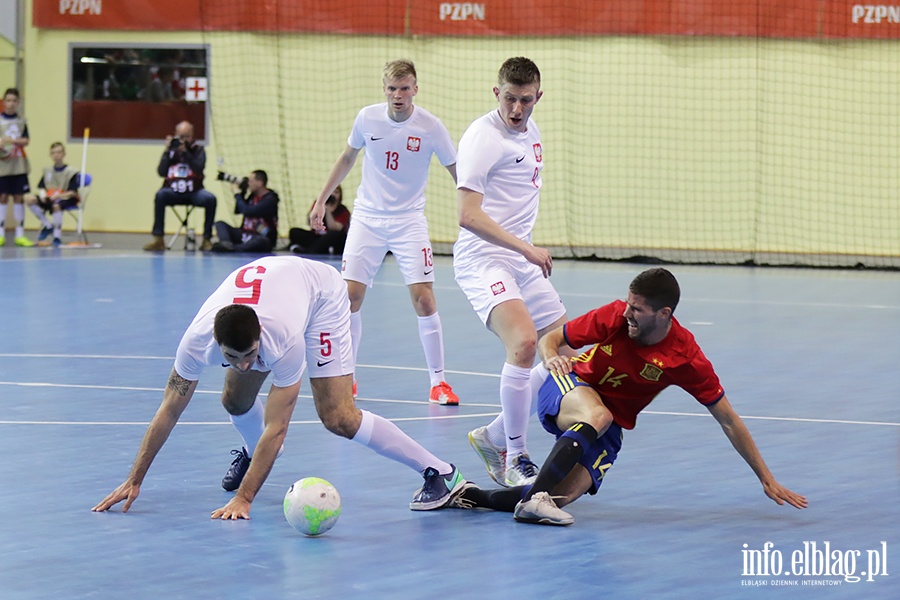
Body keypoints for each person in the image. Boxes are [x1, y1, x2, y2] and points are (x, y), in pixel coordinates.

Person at [92, 256, 467, 520]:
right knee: (234, 398)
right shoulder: (194, 343)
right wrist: (134, 478)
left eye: (250, 355)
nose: (242, 365)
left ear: (260, 338)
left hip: (320, 296)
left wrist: (245, 498)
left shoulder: (282, 339)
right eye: (232, 357)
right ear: (215, 344)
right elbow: (169, 410)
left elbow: (278, 426)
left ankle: (440, 473)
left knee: (338, 417)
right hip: (277, 284)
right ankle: (251, 451)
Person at [451, 267, 809, 525]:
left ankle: (469, 496)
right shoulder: (614, 317)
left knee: (562, 494)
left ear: (664, 314)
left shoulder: (684, 357)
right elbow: (551, 339)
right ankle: (535, 500)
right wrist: (551, 358)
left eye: (637, 309)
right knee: (597, 417)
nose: (627, 313)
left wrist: (766, 477)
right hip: (569, 387)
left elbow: (728, 419)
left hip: (611, 425)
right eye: (628, 303)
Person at [310, 59, 460, 406]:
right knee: (349, 298)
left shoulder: (431, 127)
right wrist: (320, 200)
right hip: (367, 218)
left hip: (409, 221)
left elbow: (456, 170)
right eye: (392, 88)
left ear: (415, 89)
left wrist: (477, 213)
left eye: (404, 88)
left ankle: (438, 383)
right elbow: (347, 158)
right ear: (384, 90)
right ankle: (346, 375)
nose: (398, 95)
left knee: (424, 298)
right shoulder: (367, 118)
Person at [454, 57, 574, 487]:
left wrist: (523, 251)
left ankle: (492, 435)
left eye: (526, 100)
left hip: (518, 259)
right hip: (483, 259)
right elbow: (468, 216)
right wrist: (526, 247)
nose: (517, 109)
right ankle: (515, 455)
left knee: (565, 351)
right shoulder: (483, 137)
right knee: (525, 342)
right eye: (509, 98)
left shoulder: (531, 130)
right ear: (496, 93)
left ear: (538, 97)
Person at [143, 121, 216, 252]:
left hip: (194, 192)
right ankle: (158, 238)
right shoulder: (171, 151)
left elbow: (199, 169)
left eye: (187, 136)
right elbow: (161, 172)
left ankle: (207, 239)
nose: (184, 140)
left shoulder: (198, 150)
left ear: (192, 136)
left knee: (210, 199)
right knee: (160, 195)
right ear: (175, 135)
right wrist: (167, 151)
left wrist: (185, 153)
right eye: (181, 136)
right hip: (173, 191)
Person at [25, 142, 82, 247]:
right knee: (29, 199)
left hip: (65, 198)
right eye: (53, 153)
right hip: (49, 198)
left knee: (57, 205)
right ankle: (47, 225)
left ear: (64, 154)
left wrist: (58, 196)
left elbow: (72, 192)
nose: (56, 155)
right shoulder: (48, 171)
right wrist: (42, 195)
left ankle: (57, 236)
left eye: (59, 152)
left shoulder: (71, 172)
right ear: (50, 155)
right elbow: (42, 187)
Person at [211, 169, 279, 253]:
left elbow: (248, 211)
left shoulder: (270, 199)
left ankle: (233, 248)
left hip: (259, 236)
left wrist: (237, 194)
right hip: (244, 234)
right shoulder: (252, 196)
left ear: (260, 183)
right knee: (220, 224)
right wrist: (243, 192)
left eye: (250, 181)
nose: (248, 183)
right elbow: (238, 210)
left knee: (262, 241)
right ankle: (226, 244)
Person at [0, 88, 34, 247]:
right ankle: (1, 234)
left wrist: (11, 140)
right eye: (8, 100)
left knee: (19, 197)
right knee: (3, 196)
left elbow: (26, 140)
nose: (11, 103)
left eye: (14, 100)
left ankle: (20, 234)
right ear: (4, 102)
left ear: (18, 102)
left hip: (19, 164)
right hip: (3, 165)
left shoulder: (21, 121)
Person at [289, 184, 351, 255]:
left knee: (336, 235)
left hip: (332, 238)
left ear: (340, 195)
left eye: (336, 192)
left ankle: (310, 251)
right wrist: (318, 207)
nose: (333, 194)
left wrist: (327, 211)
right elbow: (310, 223)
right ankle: (319, 249)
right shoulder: (318, 205)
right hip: (318, 237)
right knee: (294, 231)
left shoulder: (343, 210)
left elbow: (334, 228)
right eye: (331, 191)